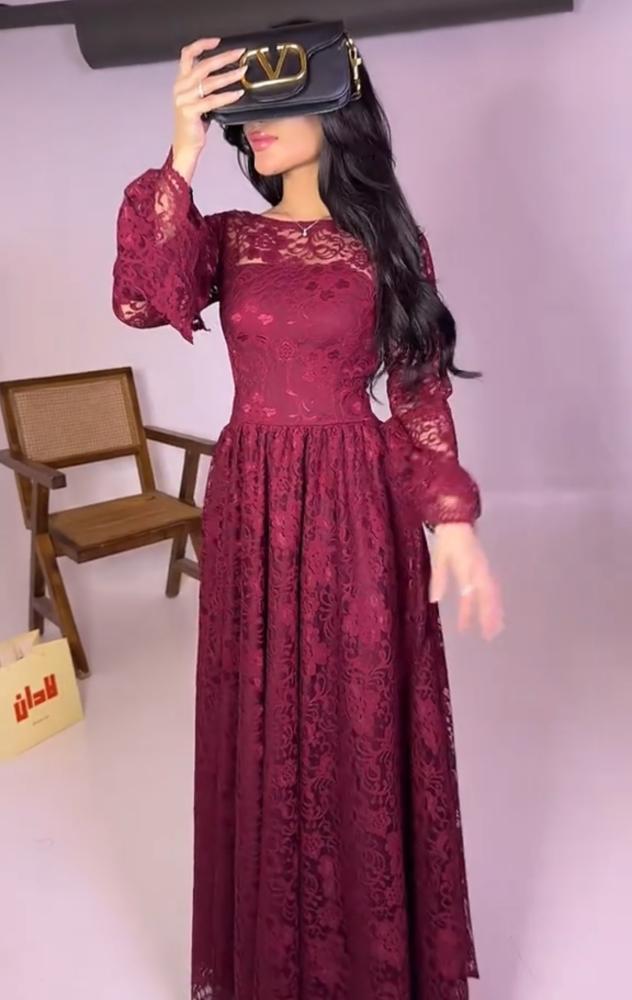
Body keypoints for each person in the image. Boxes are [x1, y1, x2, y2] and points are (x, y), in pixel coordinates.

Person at [112, 32, 504, 1000]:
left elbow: (417, 395)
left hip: (356, 508)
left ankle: (369, 964)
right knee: (262, 719)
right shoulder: (230, 239)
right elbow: (142, 299)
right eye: (242, 113)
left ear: (337, 109)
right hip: (251, 503)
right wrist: (182, 146)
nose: (255, 128)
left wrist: (452, 518)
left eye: (277, 105)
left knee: (358, 717)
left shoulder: (390, 244)